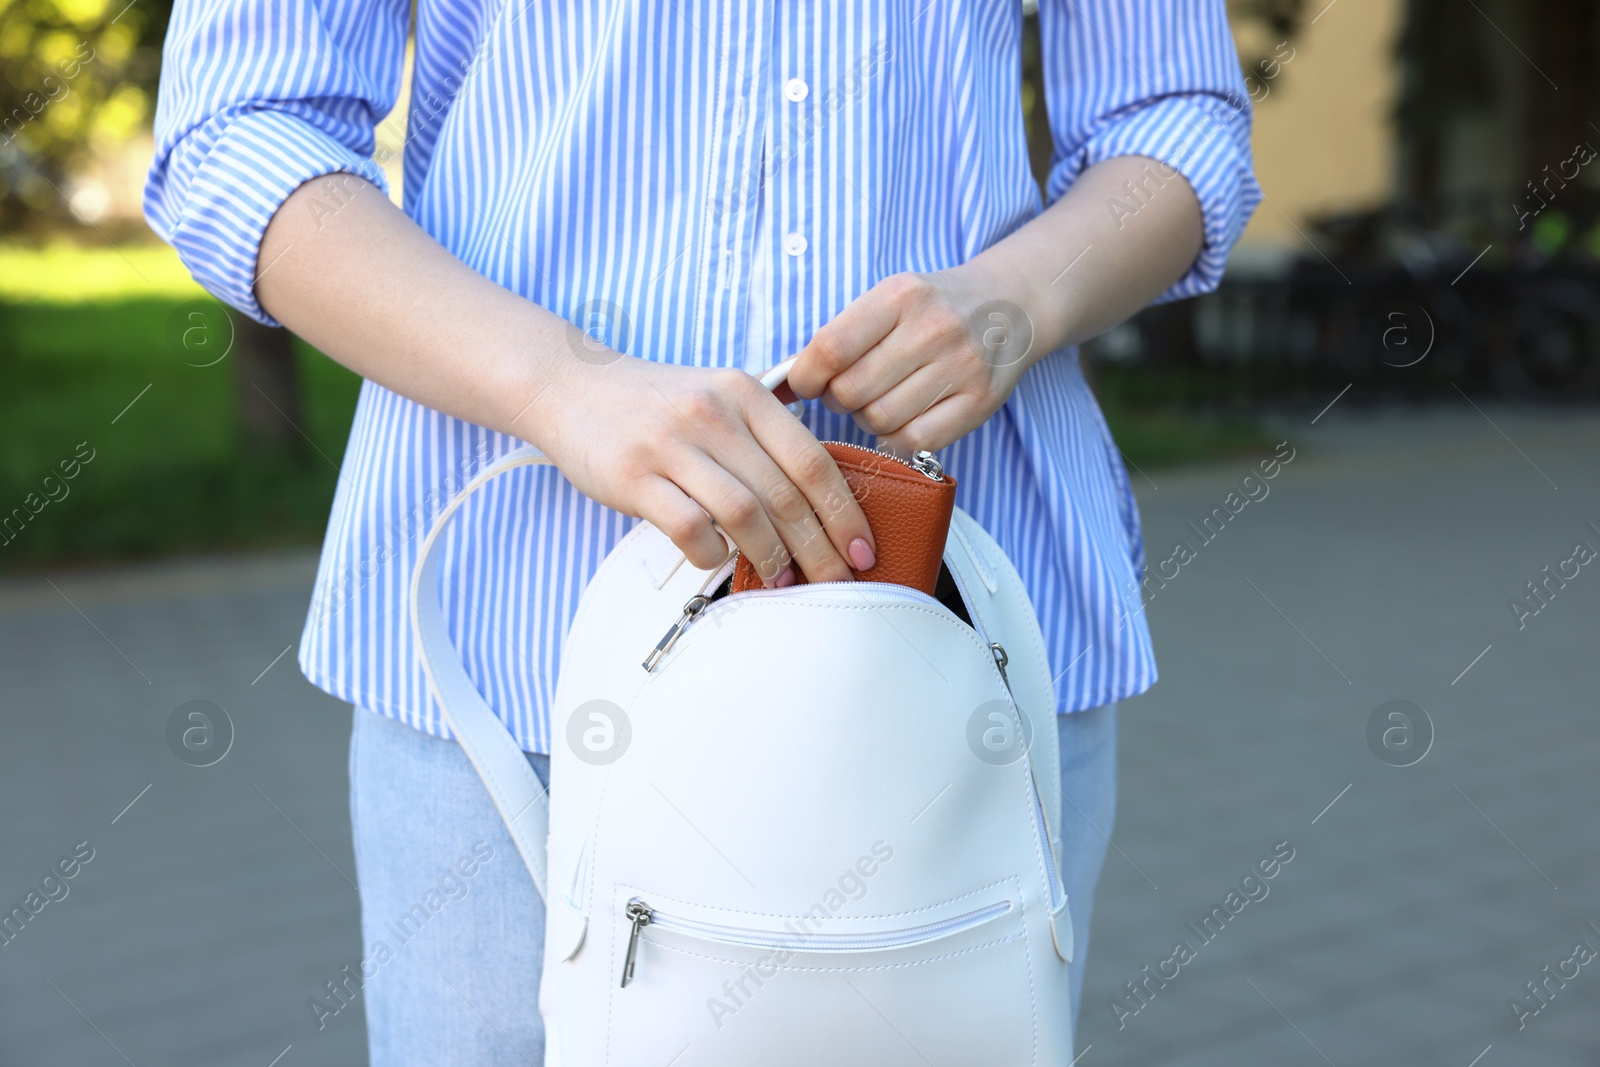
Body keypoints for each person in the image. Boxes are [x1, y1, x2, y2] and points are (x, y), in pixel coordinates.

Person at [147, 1, 1257, 1061]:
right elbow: (240, 128)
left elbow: (1172, 116)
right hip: (515, 657)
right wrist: (557, 384)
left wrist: (1019, 294)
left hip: (966, 651)